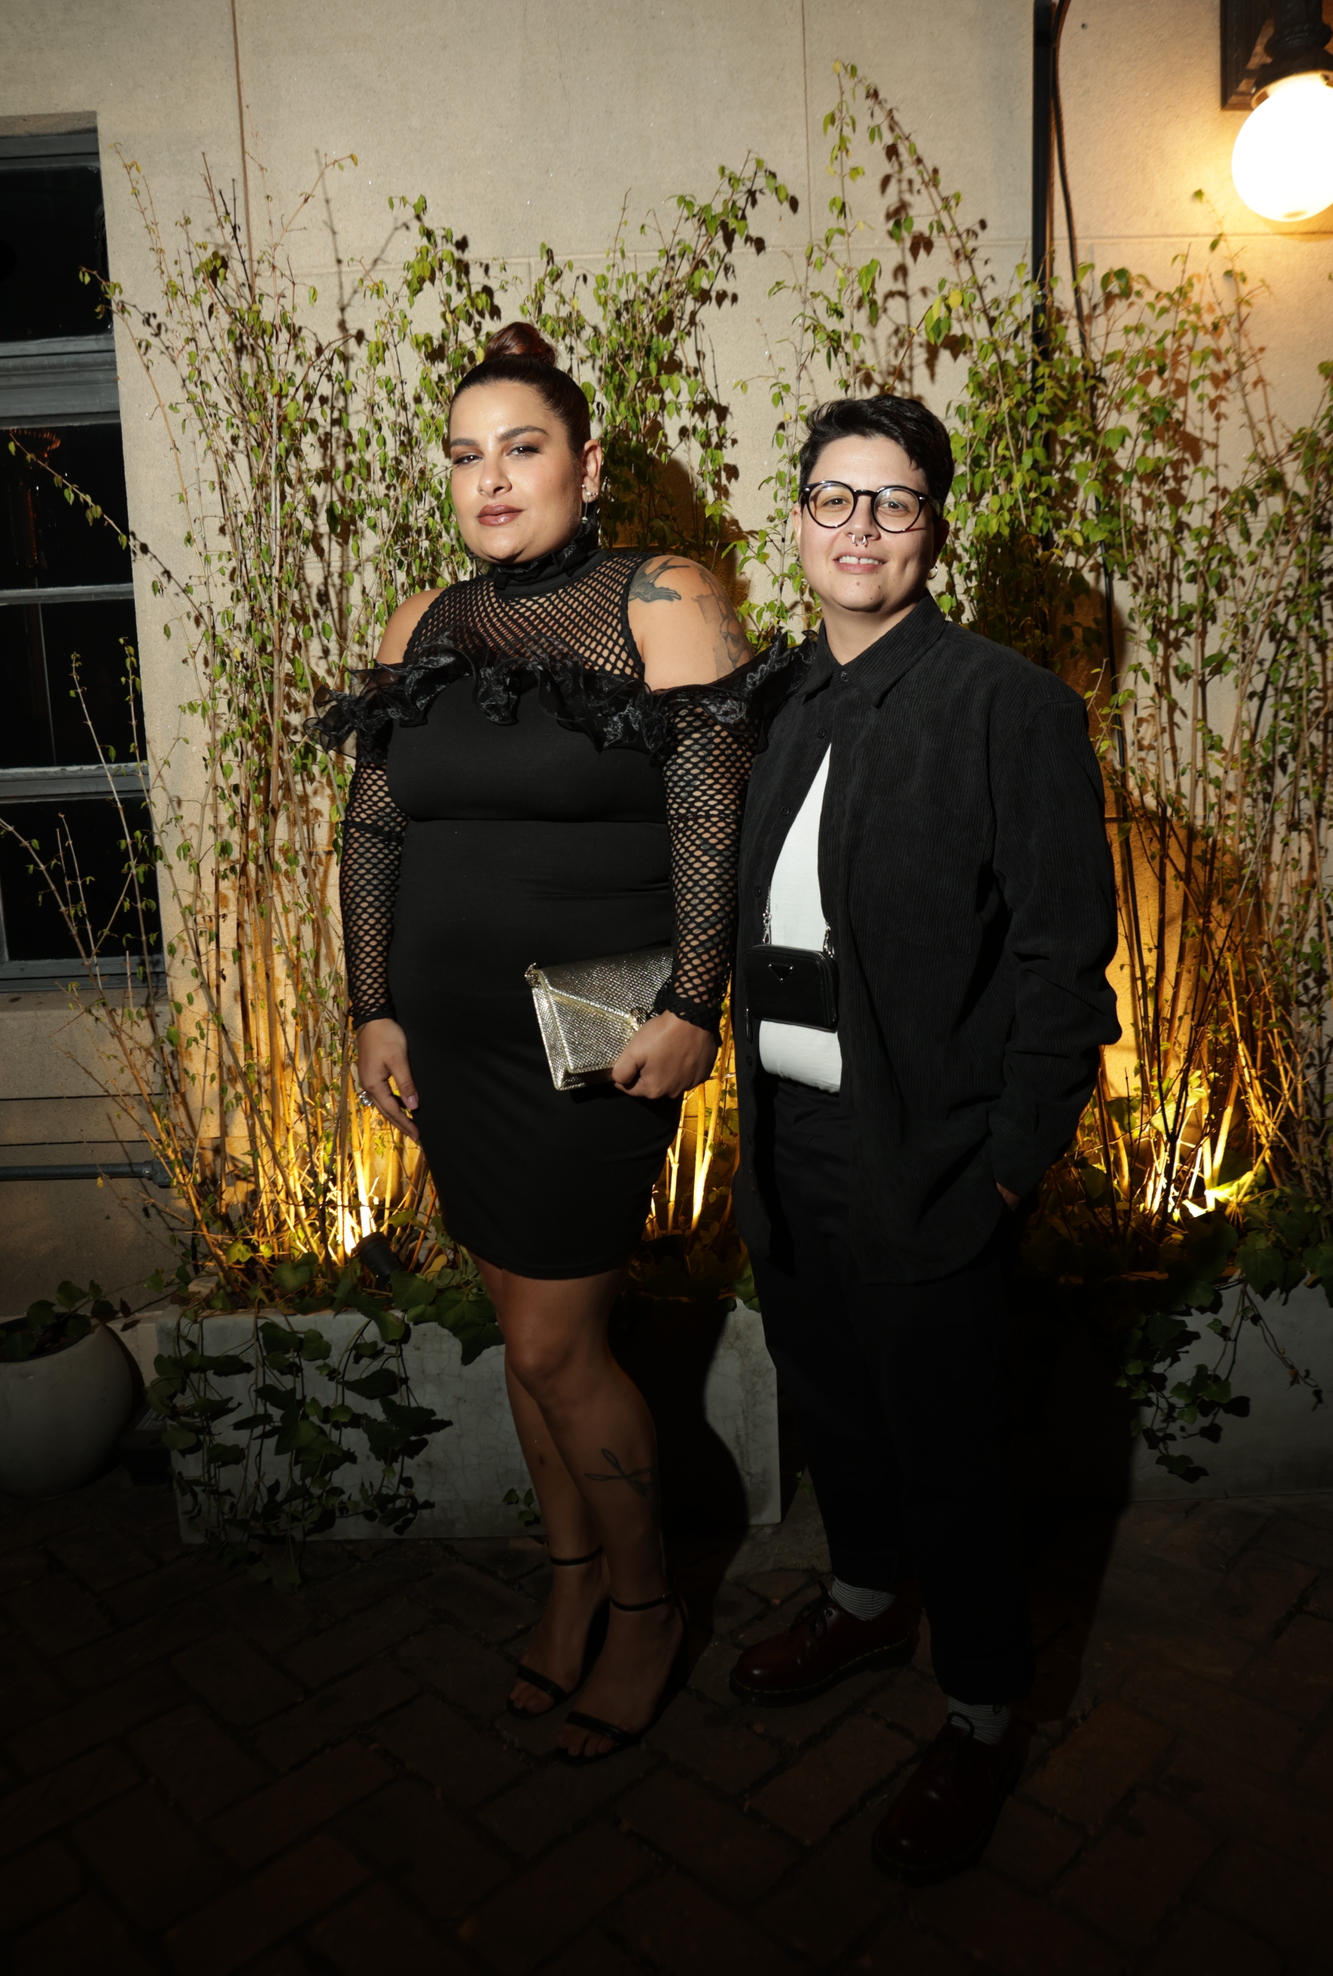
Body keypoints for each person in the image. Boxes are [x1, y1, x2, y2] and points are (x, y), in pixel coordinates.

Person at [315, 322, 778, 1762]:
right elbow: (373, 828)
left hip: (595, 1011)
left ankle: (645, 1608)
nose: (493, 480)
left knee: (553, 1341)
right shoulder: (422, 622)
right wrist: (371, 1007)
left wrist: (693, 1005)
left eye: (522, 449)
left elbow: (711, 816)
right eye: (468, 456)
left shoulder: (662, 596)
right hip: (448, 1030)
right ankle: (571, 1582)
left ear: (587, 461)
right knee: (522, 1344)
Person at [727, 394, 1120, 1880]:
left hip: (927, 1155)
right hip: (788, 1143)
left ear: (932, 529)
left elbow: (1063, 965)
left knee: (951, 1452)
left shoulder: (1007, 707)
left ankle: (980, 1711)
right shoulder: (776, 700)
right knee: (836, 1408)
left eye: (893, 502)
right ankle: (863, 1598)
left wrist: (1009, 1162)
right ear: (799, 520)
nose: (861, 527)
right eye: (836, 498)